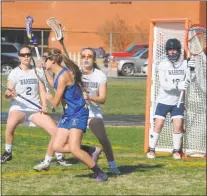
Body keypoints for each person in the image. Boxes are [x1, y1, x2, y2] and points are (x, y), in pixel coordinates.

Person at [39, 47, 108, 182]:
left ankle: (99, 172)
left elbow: (55, 103)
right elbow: (54, 84)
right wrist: (45, 71)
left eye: (45, 59)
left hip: (78, 113)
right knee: (57, 146)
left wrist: (48, 98)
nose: (43, 61)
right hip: (69, 113)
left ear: (52, 60)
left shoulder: (64, 75)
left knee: (75, 149)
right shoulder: (58, 73)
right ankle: (91, 149)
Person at [1, 45, 71, 169]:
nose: (26, 57)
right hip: (19, 107)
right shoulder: (14, 73)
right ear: (19, 57)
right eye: (23, 55)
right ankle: (8, 152)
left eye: (28, 54)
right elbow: (7, 93)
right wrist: (10, 94)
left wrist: (44, 106)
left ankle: (58, 156)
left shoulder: (38, 70)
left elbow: (42, 90)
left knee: (55, 130)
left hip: (35, 108)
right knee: (10, 124)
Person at [147, 38, 196, 159]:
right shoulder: (163, 64)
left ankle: (176, 151)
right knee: (158, 124)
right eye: (170, 50)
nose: (172, 52)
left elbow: (192, 79)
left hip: (178, 101)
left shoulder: (185, 63)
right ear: (167, 51)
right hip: (164, 100)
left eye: (174, 50)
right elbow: (163, 84)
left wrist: (192, 68)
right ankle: (152, 149)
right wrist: (177, 85)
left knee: (178, 125)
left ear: (178, 51)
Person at [80, 48, 121, 174]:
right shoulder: (75, 74)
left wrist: (89, 97)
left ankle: (112, 165)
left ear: (94, 59)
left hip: (93, 113)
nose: (86, 58)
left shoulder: (100, 75)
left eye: (89, 56)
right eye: (83, 56)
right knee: (67, 144)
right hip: (78, 113)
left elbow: (102, 99)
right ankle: (92, 150)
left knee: (103, 138)